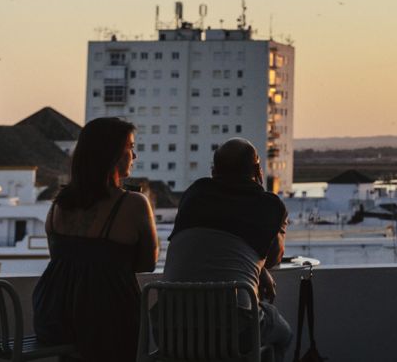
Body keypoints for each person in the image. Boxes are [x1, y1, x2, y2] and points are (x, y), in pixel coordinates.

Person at [33, 117, 159, 362]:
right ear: (111, 154)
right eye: (130, 147)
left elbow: (60, 259)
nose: (134, 156)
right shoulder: (132, 203)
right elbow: (147, 264)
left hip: (53, 318)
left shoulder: (59, 204)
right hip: (106, 320)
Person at [162, 138, 292, 357]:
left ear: (213, 171)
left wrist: (258, 270)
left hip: (171, 329)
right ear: (258, 170)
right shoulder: (268, 205)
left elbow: (212, 246)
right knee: (283, 333)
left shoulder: (195, 194)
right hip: (233, 331)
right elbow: (273, 258)